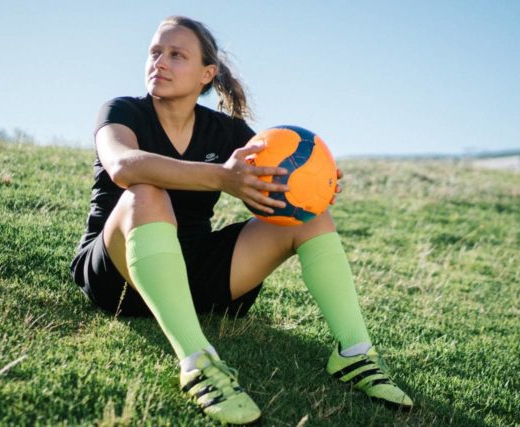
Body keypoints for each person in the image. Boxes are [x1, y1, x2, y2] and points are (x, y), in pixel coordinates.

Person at [70, 15, 413, 425]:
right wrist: (221, 177)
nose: (159, 62)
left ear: (206, 74)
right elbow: (123, 166)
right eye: (155, 52)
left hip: (194, 272)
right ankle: (199, 364)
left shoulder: (226, 131)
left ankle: (355, 355)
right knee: (146, 192)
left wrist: (312, 185)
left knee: (311, 216)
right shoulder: (123, 111)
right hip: (118, 275)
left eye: (177, 55)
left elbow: (273, 178)